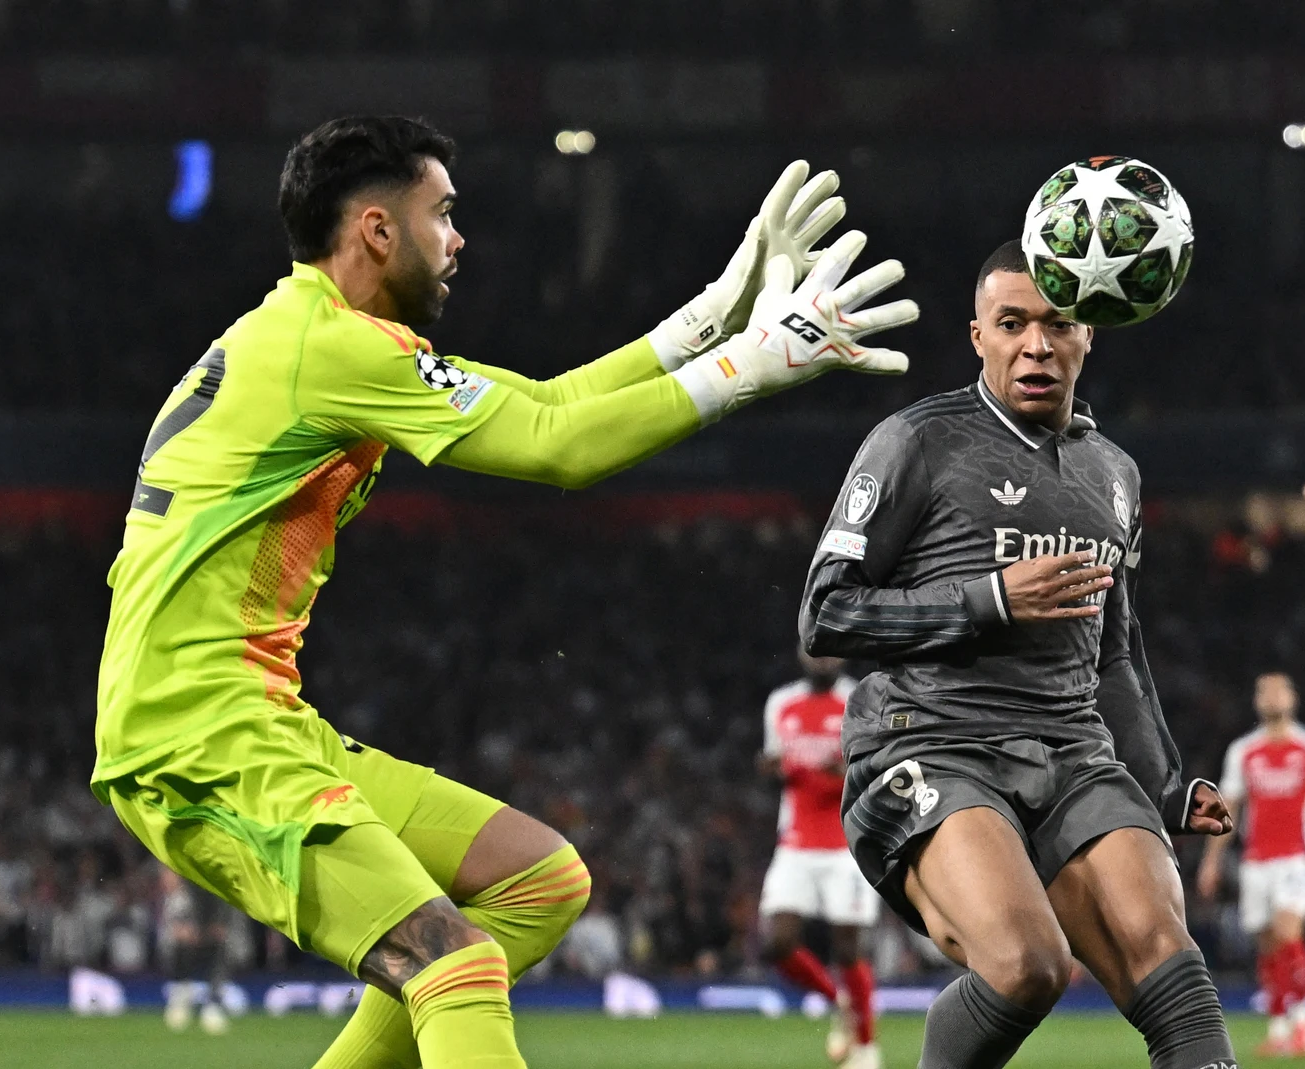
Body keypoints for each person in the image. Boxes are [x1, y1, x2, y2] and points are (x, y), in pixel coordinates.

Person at [90, 114, 917, 1069]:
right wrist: (753, 366)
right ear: (375, 229)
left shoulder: (314, 337)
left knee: (536, 879)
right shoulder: (334, 350)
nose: (459, 240)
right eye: (443, 214)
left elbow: (548, 406)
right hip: (198, 736)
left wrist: (714, 317)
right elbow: (559, 450)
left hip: (246, 719)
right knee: (454, 969)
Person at [800, 239, 1238, 1069]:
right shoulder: (915, 442)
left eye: (1057, 322)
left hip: (1072, 749)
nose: (1035, 343)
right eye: (1012, 324)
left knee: (1171, 962)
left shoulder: (1114, 471)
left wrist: (1168, 786)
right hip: (930, 740)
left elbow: (1115, 653)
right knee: (1027, 964)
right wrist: (990, 598)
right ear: (978, 336)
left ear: (1088, 335)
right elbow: (825, 614)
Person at [1198, 671, 1305, 1058]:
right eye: (1264, 690)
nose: (1272, 696)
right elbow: (1228, 809)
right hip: (1255, 862)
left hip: (1297, 857)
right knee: (1267, 946)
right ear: (1256, 701)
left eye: (1280, 689)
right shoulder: (1243, 751)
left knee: (1288, 932)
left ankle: (1303, 1024)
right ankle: (1279, 1027)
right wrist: (1211, 861)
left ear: (1293, 698)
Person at [757, 648, 880, 1069]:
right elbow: (773, 759)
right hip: (794, 841)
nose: (823, 661)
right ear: (801, 654)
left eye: (831, 655)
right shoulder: (781, 702)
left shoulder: (859, 699)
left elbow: (870, 767)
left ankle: (865, 1049)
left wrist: (837, 772)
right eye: (816, 653)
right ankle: (838, 1002)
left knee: (848, 949)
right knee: (776, 943)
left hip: (847, 842)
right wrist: (774, 767)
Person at [159, 866, 236, 1035]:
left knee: (220, 941)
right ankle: (180, 996)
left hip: (214, 894)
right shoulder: (179, 894)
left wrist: (212, 926)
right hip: (188, 895)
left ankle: (213, 1003)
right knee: (180, 939)